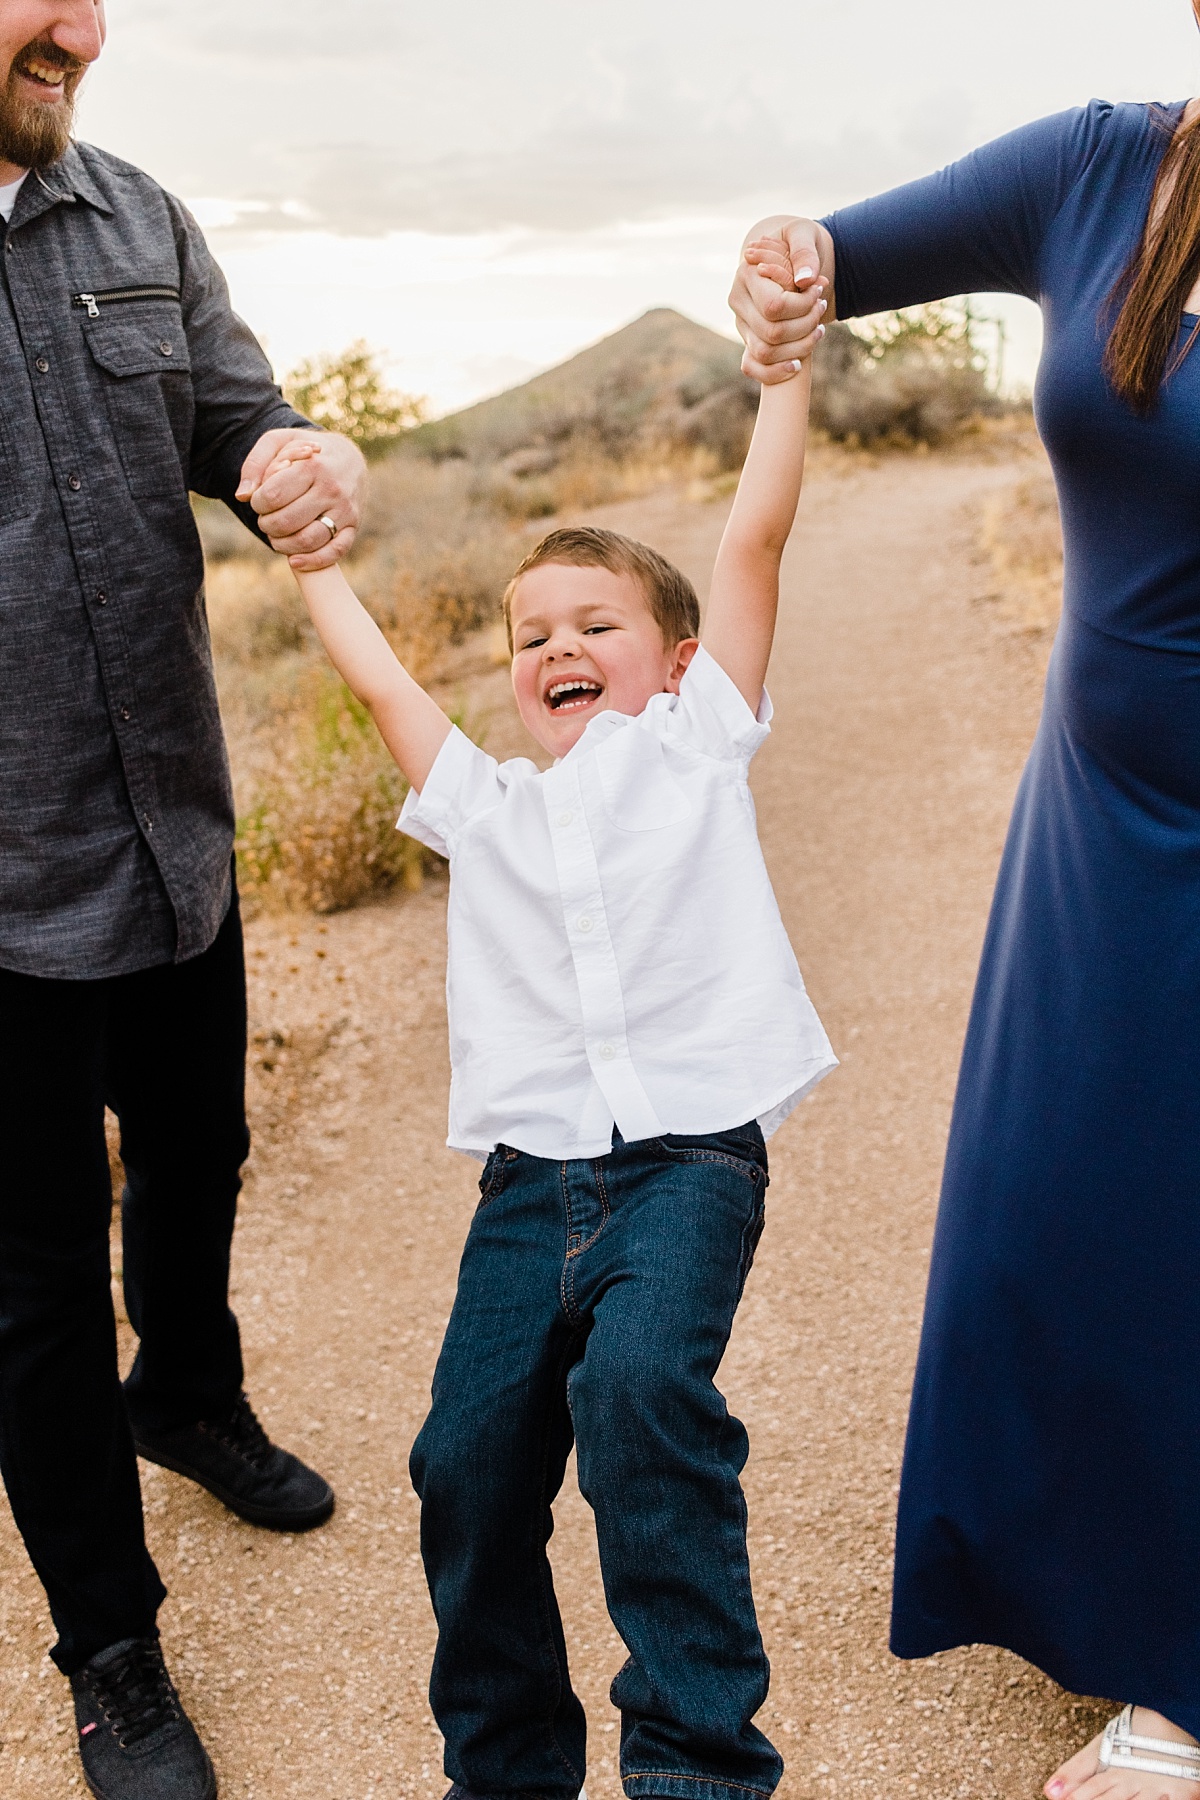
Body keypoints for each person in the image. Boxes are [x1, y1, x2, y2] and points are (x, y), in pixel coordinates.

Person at [260, 254, 836, 1800]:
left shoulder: (700, 748)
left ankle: (699, 1768)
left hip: (691, 1163)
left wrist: (782, 376)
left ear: (675, 662)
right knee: (465, 1464)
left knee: (643, 1394)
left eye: (594, 621)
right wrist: (314, 563)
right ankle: (508, 1770)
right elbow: (387, 690)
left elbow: (757, 531)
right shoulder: (487, 811)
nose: (555, 647)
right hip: (529, 1187)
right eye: (526, 635)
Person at [728, 15, 1200, 1800]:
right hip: (1106, 802)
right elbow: (827, 255)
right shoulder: (1100, 169)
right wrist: (782, 279)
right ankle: (1086, 1571)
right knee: (1074, 1205)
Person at [0, 4, 368, 1797]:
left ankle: (193, 1398)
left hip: (172, 835)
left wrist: (296, 457)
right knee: (41, 1278)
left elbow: (240, 415)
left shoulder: (137, 217)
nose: (78, 29)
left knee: (201, 1150)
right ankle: (111, 1652)